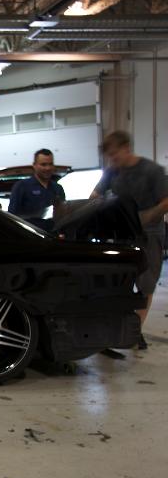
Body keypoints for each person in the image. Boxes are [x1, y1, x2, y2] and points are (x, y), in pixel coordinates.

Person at [91, 130, 168, 349]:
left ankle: (135, 332)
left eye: (114, 155)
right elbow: (95, 194)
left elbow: (166, 201)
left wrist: (144, 217)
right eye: (109, 157)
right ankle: (119, 328)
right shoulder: (112, 171)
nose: (112, 160)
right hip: (122, 234)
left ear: (126, 148)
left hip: (149, 233)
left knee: (146, 283)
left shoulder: (152, 171)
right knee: (118, 282)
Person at [8, 149, 66, 230]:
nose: (48, 168)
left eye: (50, 164)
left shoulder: (58, 188)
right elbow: (12, 216)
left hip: (53, 235)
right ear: (34, 165)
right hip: (30, 235)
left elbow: (63, 216)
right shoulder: (22, 186)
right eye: (43, 164)